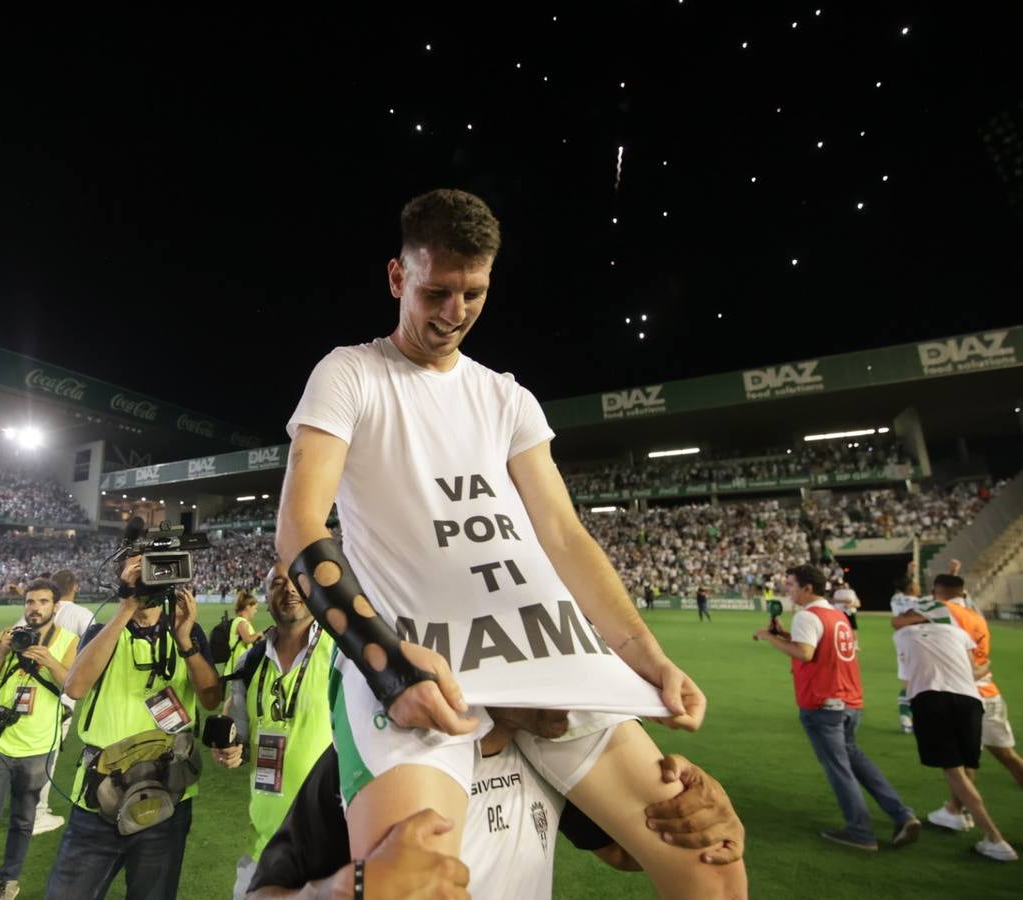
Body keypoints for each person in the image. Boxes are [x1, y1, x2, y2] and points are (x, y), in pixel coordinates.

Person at [276, 188, 744, 899]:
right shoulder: (350, 374)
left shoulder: (507, 397)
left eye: (474, 293)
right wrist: (386, 660)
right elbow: (300, 527)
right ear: (398, 278)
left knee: (709, 857)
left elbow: (561, 533)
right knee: (415, 884)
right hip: (422, 652)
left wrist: (648, 658)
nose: (454, 313)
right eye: (436, 291)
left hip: (542, 645)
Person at [247, 719, 745, 899]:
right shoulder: (371, 762)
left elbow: (623, 853)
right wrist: (337, 893)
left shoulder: (550, 754)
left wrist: (699, 819)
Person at [44, 557, 223, 900]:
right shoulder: (103, 632)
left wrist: (185, 641)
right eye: (138, 577)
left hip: (168, 790)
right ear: (123, 584)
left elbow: (212, 698)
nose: (148, 584)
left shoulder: (188, 631)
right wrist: (126, 609)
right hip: (100, 794)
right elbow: (75, 687)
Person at [753, 564, 919, 851]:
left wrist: (768, 637)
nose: (788, 590)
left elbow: (805, 653)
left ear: (807, 588)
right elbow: (818, 648)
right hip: (849, 701)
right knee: (856, 762)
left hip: (823, 703)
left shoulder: (807, 615)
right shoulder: (837, 614)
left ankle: (860, 831)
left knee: (838, 767)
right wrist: (783, 636)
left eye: (791, 585)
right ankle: (902, 814)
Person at [213, 564, 335, 898]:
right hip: (266, 844)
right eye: (278, 583)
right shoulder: (249, 662)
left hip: (334, 845)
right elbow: (241, 734)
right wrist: (232, 750)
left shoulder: (342, 653)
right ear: (266, 596)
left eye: (298, 581)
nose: (290, 589)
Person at [0, 578, 79, 900]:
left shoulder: (68, 640)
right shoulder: (6, 637)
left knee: (23, 821)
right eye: (29, 602)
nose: (34, 608)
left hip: (39, 746)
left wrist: (49, 659)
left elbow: (75, 686)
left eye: (42, 602)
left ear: (55, 607)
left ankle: (8, 881)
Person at [891, 593, 1016, 861]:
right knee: (967, 765)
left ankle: (994, 838)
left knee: (953, 771)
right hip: (970, 700)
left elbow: (907, 676)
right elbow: (975, 671)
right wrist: (986, 668)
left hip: (931, 699)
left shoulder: (902, 637)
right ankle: (956, 813)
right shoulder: (957, 633)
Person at [918, 574, 1023, 833]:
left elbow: (902, 621)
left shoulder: (940, 609)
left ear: (936, 592)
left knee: (961, 760)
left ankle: (964, 816)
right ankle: (955, 810)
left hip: (964, 694)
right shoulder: (977, 616)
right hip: (990, 691)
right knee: (1007, 756)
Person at [27, 568, 96, 836]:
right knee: (48, 752)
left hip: (28, 685)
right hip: (61, 688)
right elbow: (94, 649)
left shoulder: (38, 612)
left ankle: (25, 806)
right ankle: (36, 813)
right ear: (75, 587)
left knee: (26, 747)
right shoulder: (82, 615)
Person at [889, 572, 921, 734]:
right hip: (919, 642)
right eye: (916, 583)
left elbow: (900, 589)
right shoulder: (919, 603)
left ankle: (906, 718)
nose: (918, 586)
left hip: (901, 641)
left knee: (909, 680)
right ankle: (912, 719)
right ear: (910, 587)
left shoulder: (895, 599)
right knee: (919, 681)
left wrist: (909, 571)